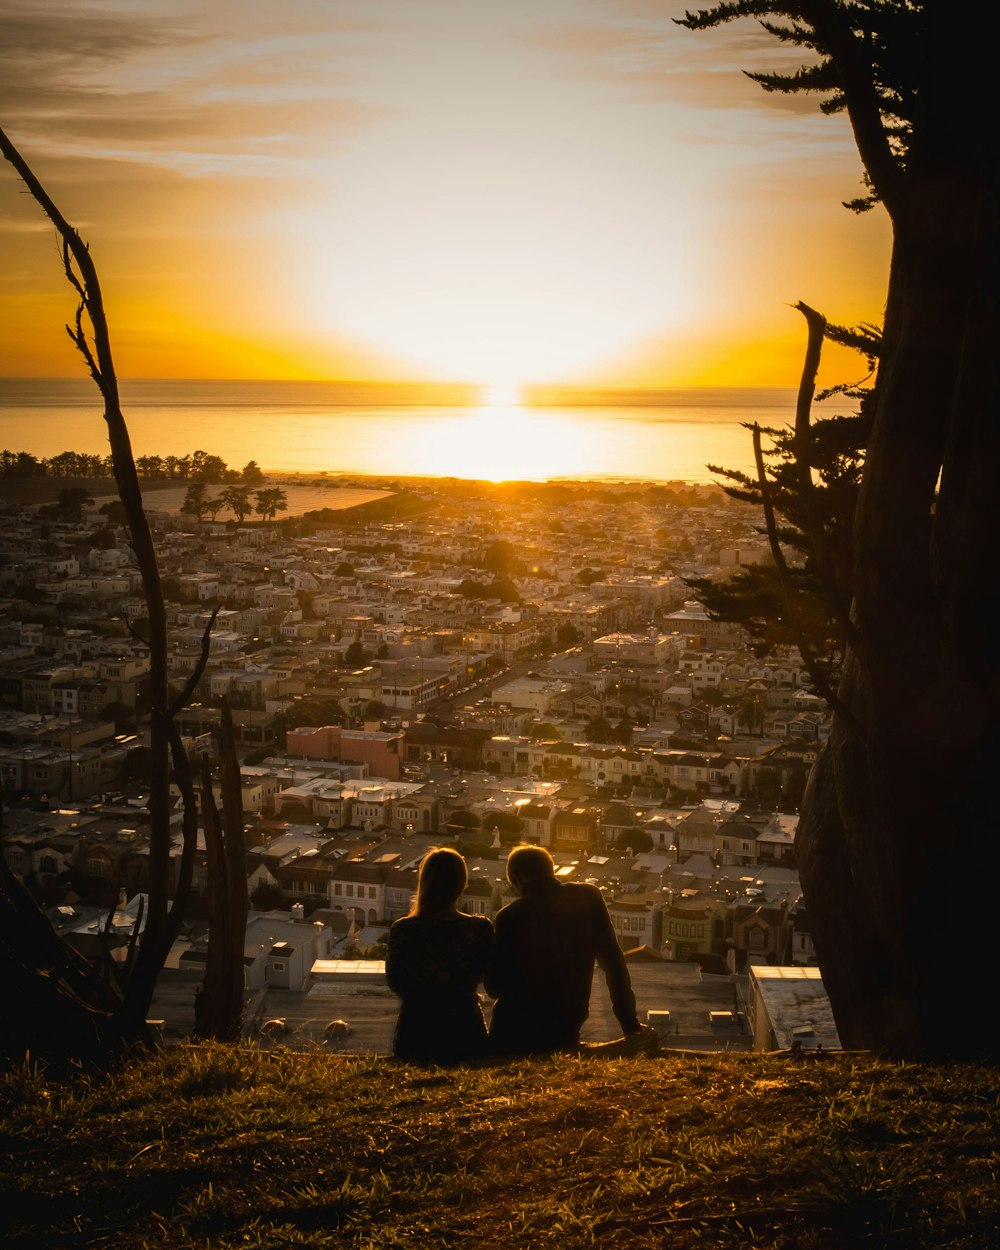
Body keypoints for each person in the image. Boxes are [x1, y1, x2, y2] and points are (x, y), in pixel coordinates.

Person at [486, 844, 647, 1055]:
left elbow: (495, 987)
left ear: (518, 879)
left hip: (514, 1031)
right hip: (566, 1027)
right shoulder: (587, 898)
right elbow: (613, 963)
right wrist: (630, 1025)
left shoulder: (509, 916)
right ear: (550, 870)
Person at [385, 847, 493, 1064]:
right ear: (462, 884)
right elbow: (488, 977)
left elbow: (396, 980)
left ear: (424, 882)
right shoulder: (479, 928)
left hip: (416, 1029)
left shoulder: (405, 929)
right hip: (465, 1027)